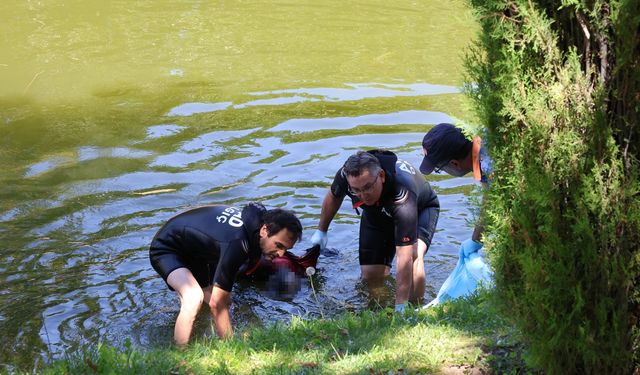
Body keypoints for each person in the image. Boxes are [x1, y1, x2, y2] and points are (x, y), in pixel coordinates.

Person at [149, 202, 302, 345]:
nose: (281, 254)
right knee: (194, 298)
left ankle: (198, 330)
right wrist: (232, 346)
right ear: (264, 230)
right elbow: (218, 304)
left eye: (286, 250)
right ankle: (181, 358)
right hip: (167, 248)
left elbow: (221, 300)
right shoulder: (238, 243)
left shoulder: (254, 228)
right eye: (278, 245)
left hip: (197, 252)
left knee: (223, 301)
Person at [310, 150, 440, 312]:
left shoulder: (402, 194)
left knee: (414, 255)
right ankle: (377, 310)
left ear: (382, 176)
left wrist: (400, 305)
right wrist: (322, 230)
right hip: (377, 213)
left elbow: (404, 258)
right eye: (356, 190)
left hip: (420, 210)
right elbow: (334, 196)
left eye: (367, 187)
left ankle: (414, 310)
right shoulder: (345, 175)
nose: (363, 195)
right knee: (371, 276)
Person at [419, 122, 493, 258]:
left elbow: (494, 203)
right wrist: (476, 239)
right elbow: (489, 200)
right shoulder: (484, 136)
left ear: (454, 163)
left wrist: (475, 241)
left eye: (440, 168)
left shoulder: (489, 167)